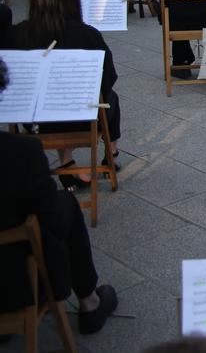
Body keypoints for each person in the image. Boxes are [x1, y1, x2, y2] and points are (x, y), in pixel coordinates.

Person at [5, 0, 125, 181]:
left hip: (35, 122)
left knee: (52, 97)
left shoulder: (17, 35)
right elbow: (108, 81)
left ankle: (66, 161)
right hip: (83, 120)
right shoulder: (88, 35)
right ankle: (110, 152)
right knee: (110, 98)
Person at [0, 125, 119, 335]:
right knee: (64, 204)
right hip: (13, 286)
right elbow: (52, 221)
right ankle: (89, 302)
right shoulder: (20, 151)